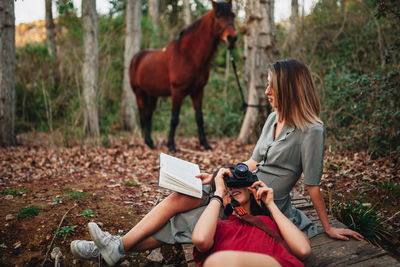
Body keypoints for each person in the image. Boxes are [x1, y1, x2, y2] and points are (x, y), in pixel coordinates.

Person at [71, 59, 363, 265]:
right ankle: (114, 246)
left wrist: (327, 227)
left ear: (289, 89)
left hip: (259, 201)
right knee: (179, 195)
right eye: (267, 86)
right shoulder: (274, 118)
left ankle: (112, 247)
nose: (266, 93)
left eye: (271, 87)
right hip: (239, 184)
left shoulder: (312, 131)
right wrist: (218, 177)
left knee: (183, 221)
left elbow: (312, 186)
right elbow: (253, 161)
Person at [192, 167, 310, 267]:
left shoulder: (267, 221)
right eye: (226, 186)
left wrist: (270, 205)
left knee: (219, 261)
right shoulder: (217, 227)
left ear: (248, 188)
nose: (231, 188)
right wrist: (218, 192)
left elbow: (303, 250)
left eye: (235, 182)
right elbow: (201, 240)